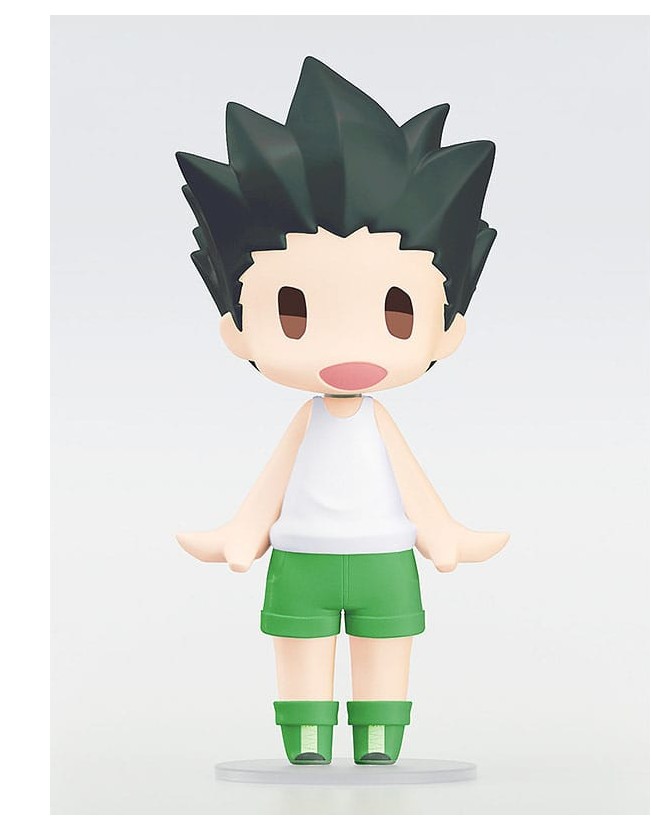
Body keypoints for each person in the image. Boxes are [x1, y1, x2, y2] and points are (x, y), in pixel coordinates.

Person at [175, 56, 509, 765]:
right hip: (301, 560)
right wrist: (242, 531)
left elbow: (414, 489)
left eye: (397, 312)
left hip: (385, 559)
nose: (348, 349)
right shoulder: (308, 422)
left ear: (448, 327)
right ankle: (306, 737)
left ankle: (380, 737)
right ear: (237, 328)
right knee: (299, 646)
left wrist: (443, 533)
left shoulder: (376, 422)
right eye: (292, 311)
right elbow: (271, 487)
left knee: (386, 646)